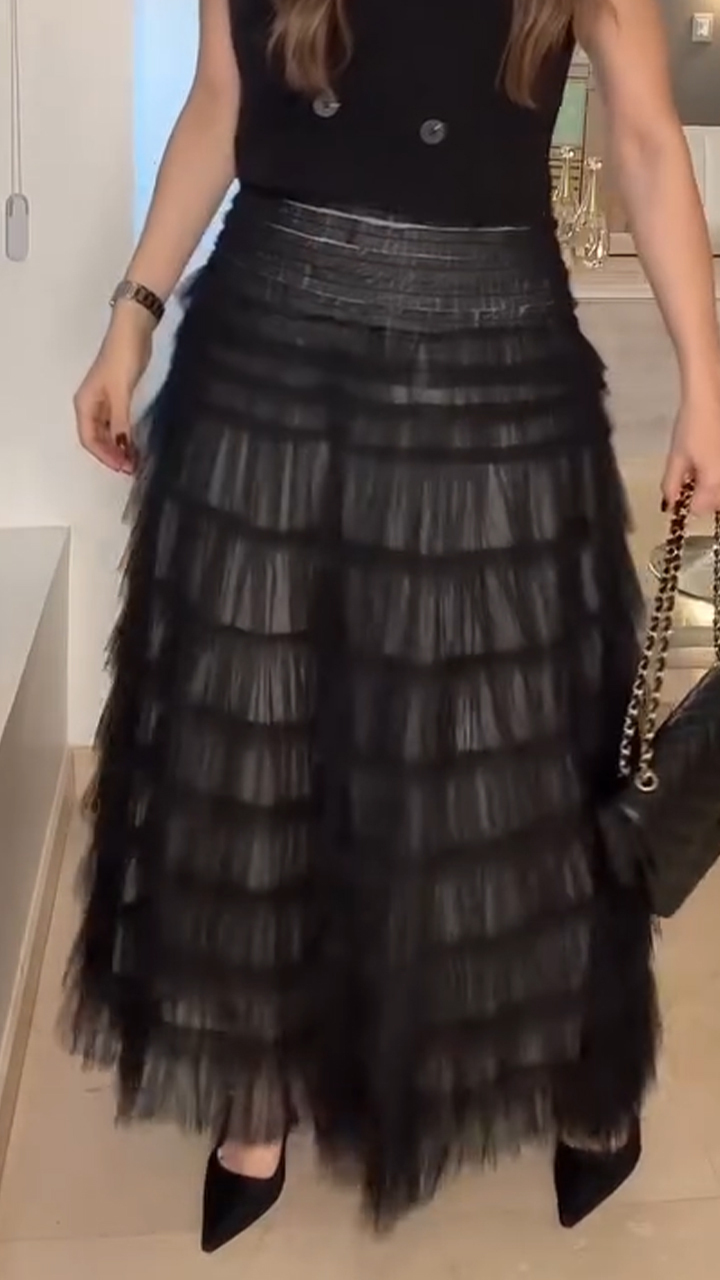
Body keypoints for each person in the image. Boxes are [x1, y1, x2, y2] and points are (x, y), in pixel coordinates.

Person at [65, 0, 720, 1255]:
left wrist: (707, 377)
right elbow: (221, 100)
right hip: (268, 348)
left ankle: (581, 1071)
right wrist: (133, 311)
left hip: (495, 354)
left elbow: (645, 133)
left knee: (523, 750)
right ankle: (256, 1084)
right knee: (260, 737)